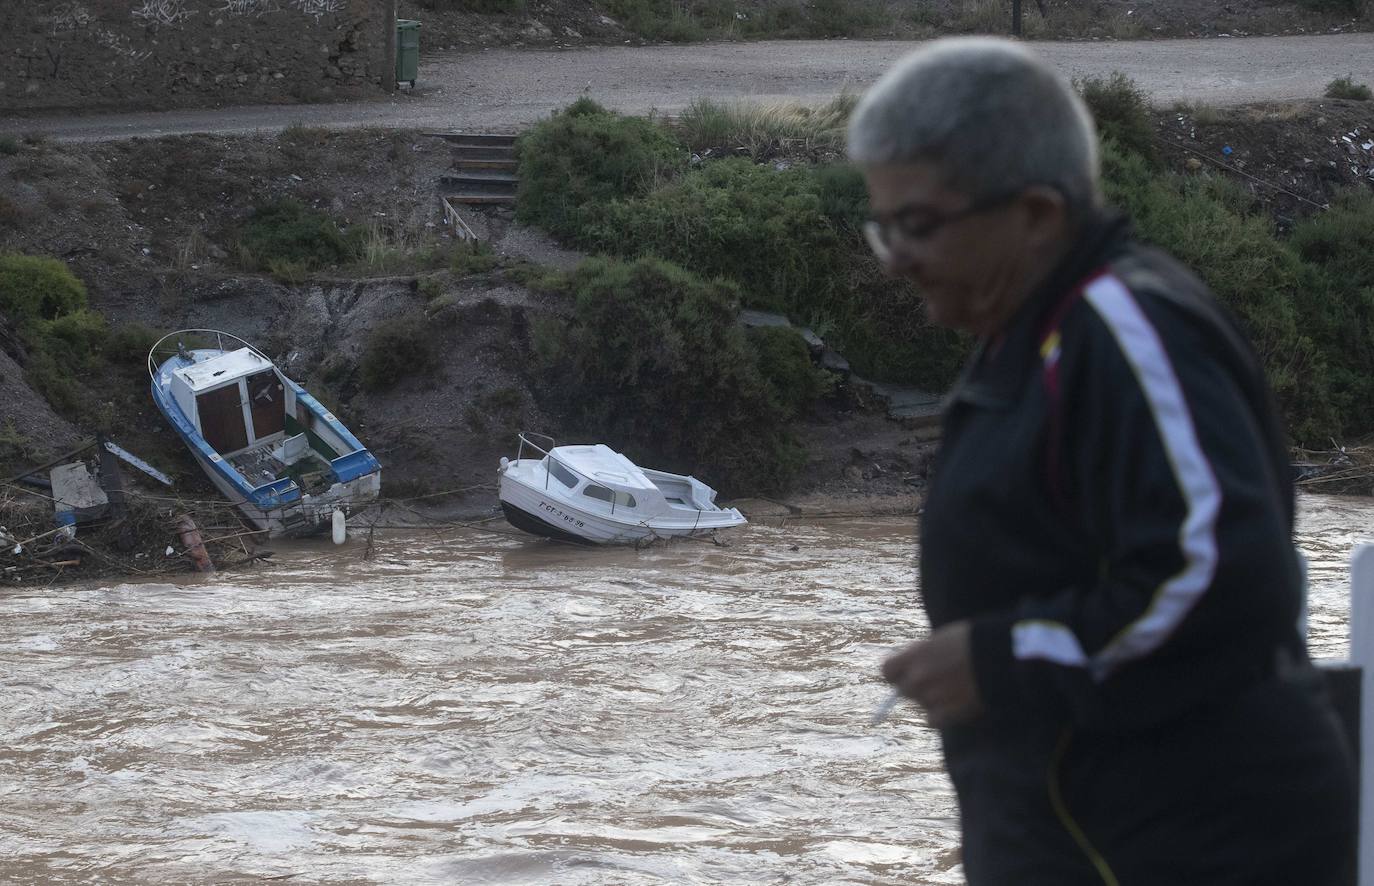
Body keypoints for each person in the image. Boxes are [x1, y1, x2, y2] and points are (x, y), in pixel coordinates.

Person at [847, 37, 1355, 885]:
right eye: (883, 226)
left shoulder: (1127, 330)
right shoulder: (1025, 333)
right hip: (1082, 830)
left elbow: (1218, 573)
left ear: (1037, 214)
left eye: (919, 225)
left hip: (1190, 838)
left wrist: (1001, 660)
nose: (895, 258)